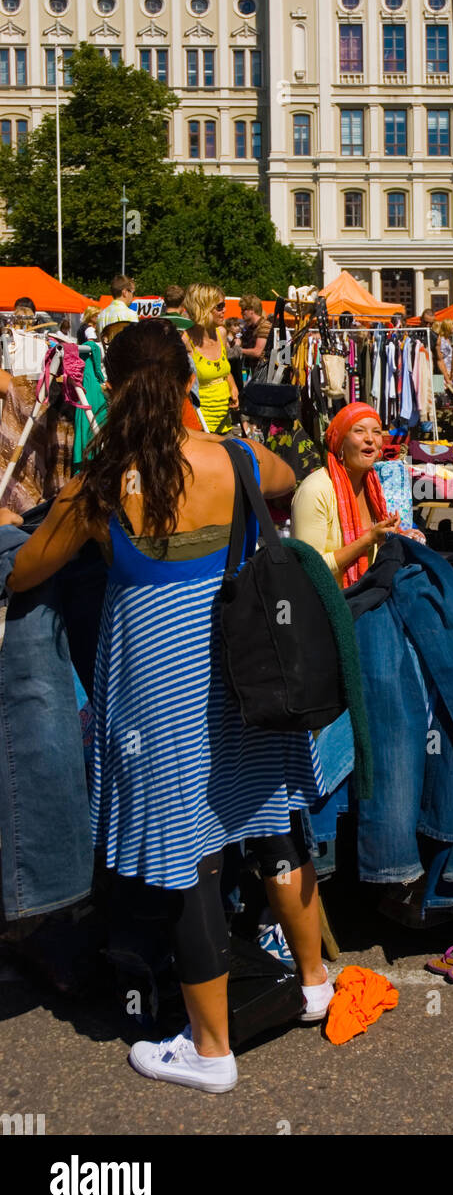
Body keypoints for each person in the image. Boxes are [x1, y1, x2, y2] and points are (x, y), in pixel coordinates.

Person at [7, 319, 332, 1091]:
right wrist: (217, 438)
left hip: (161, 693)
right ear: (191, 382)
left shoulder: (101, 484)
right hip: (248, 672)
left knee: (184, 855)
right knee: (267, 819)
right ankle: (315, 982)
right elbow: (286, 478)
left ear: (112, 391)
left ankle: (211, 1049)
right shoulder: (237, 459)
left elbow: (25, 573)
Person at [290, 402, 400, 586]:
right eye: (359, 431)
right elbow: (308, 567)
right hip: (327, 603)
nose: (370, 439)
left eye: (376, 431)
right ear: (341, 441)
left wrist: (393, 535)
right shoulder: (315, 491)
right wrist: (368, 540)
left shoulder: (372, 485)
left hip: (367, 595)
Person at [182, 283, 239, 433]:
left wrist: (232, 387)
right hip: (200, 423)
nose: (225, 310)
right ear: (203, 309)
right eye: (219, 306)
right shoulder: (185, 340)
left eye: (224, 305)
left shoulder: (221, 333)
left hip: (224, 420)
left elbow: (224, 370)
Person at [239, 295, 273, 375]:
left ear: (252, 310)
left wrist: (238, 350)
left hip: (264, 372)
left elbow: (257, 352)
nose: (241, 313)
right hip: (255, 370)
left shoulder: (264, 325)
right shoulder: (250, 327)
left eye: (244, 310)